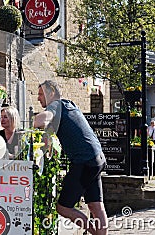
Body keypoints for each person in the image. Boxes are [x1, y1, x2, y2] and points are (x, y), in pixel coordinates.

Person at [33, 80, 107, 235]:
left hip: (84, 161)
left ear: (51, 93)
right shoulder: (68, 105)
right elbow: (48, 137)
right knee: (95, 206)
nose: (38, 98)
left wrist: (20, 122)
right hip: (97, 158)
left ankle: (94, 232)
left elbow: (44, 119)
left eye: (41, 94)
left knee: (63, 207)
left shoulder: (56, 105)